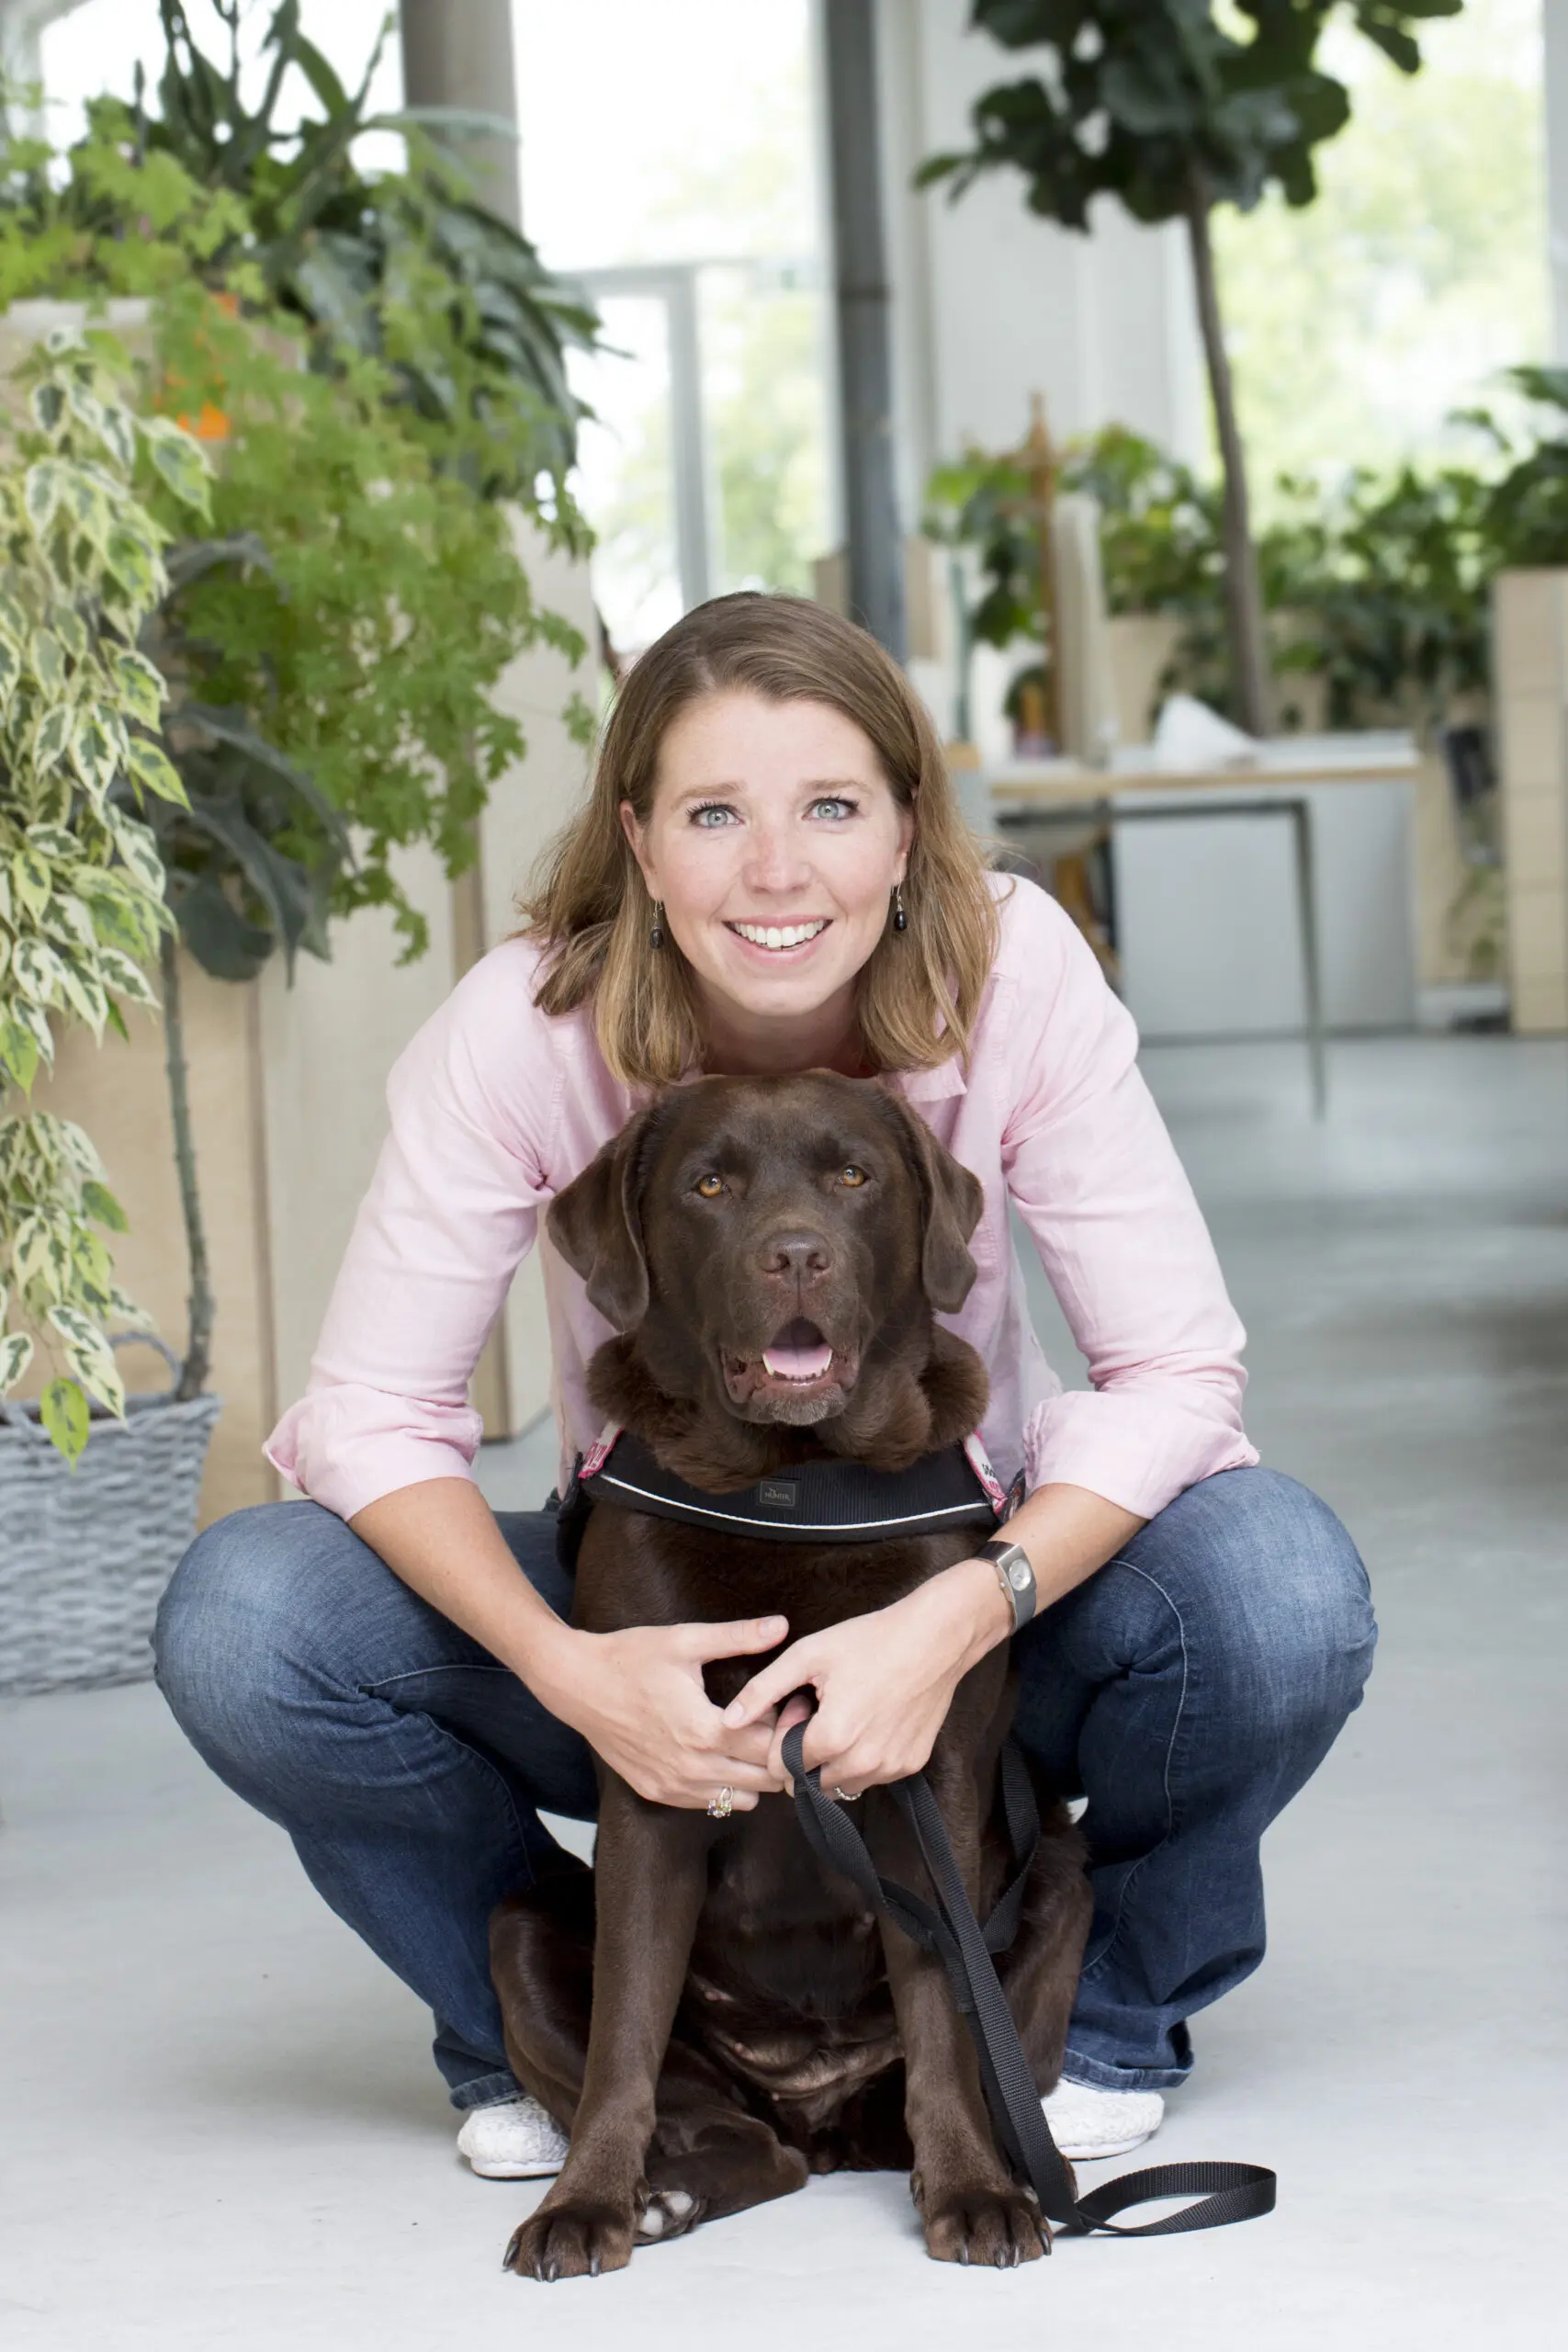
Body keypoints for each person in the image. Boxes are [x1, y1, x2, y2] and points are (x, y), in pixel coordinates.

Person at [155, 594, 1375, 2182]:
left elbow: (1175, 1369)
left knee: (1278, 1587)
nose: (777, 871)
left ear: (907, 830)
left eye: (831, 808)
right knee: (250, 1620)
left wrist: (962, 1617)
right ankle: (554, 2039)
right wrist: (569, 1668)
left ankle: (1087, 2027)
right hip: (661, 1613)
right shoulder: (522, 1031)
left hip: (966, 1604)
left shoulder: (1014, 973)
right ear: (639, 842)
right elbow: (373, 1414)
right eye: (716, 813)